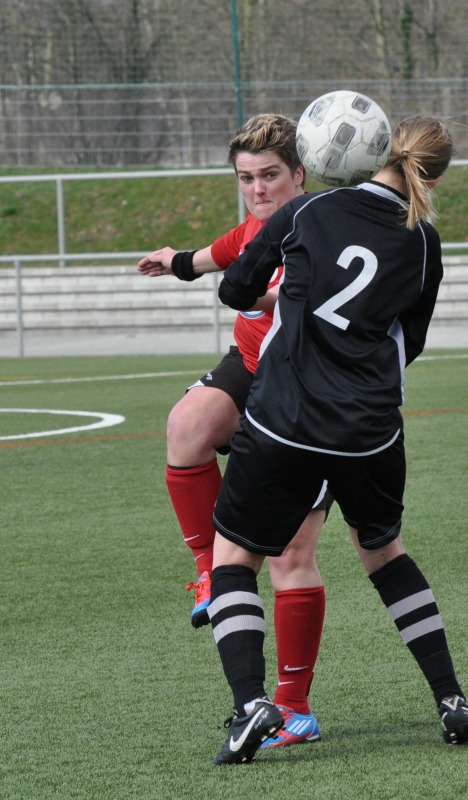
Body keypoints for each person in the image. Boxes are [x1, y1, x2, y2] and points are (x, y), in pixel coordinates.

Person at [207, 115, 468, 765]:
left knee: (234, 558)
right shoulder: (423, 240)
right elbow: (410, 342)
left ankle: (251, 704)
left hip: (285, 420)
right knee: (385, 554)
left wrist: (286, 297)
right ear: (435, 177)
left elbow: (234, 289)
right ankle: (451, 699)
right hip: (370, 430)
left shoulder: (310, 210)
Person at [137, 114, 328, 747]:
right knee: (186, 425)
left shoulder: (320, 228)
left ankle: (293, 707)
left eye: (269, 175)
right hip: (249, 367)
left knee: (290, 555)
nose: (257, 189)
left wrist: (261, 294)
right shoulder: (254, 224)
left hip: (306, 394)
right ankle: (206, 572)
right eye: (246, 178)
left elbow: (294, 293)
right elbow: (222, 252)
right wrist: (178, 261)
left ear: (299, 174)